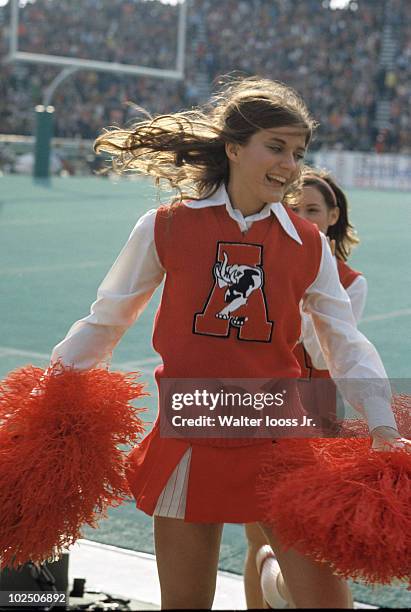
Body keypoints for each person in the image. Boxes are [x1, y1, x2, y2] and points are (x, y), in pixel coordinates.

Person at [49, 77, 408, 609]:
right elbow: (107, 320)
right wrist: (49, 391)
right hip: (192, 432)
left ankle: (267, 572)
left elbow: (344, 341)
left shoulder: (309, 244)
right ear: (234, 148)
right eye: (276, 147)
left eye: (298, 152)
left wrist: (383, 424)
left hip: (279, 432)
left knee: (329, 605)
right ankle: (265, 568)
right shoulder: (165, 226)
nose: (290, 165)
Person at [243, 167, 366, 609]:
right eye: (293, 209)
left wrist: (295, 287)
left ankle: (278, 579)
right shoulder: (265, 262)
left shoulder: (351, 281)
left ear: (333, 215)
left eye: (312, 210)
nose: (303, 218)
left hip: (316, 412)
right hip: (266, 404)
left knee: (313, 535)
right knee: (259, 531)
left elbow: (319, 350)